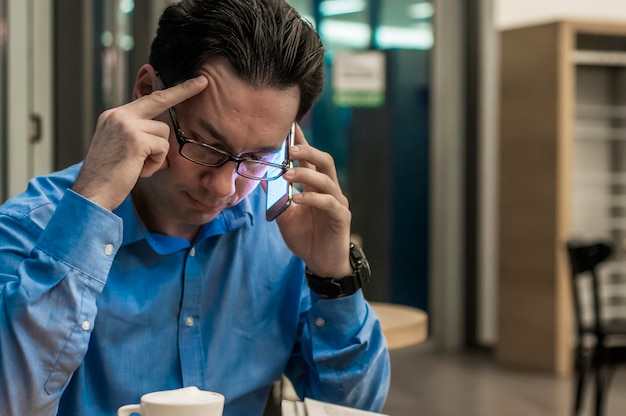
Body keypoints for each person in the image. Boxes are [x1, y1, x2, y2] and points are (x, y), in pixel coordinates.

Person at [0, 0, 390, 415]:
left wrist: (334, 278)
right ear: (147, 94)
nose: (224, 186)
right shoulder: (33, 230)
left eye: (258, 156)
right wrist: (90, 208)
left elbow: (353, 408)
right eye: (206, 145)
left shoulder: (282, 235)